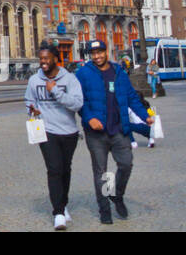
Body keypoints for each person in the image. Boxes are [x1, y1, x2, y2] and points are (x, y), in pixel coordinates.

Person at [74, 39, 150, 225]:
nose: (97, 56)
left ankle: (117, 195)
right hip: (96, 133)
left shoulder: (118, 72)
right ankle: (105, 209)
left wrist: (144, 116)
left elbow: (131, 97)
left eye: (100, 52)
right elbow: (79, 100)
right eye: (94, 53)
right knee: (102, 171)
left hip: (119, 129)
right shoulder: (83, 73)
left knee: (126, 164)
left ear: (106, 52)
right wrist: (89, 118)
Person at [26, 42, 85, 230]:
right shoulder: (34, 80)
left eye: (46, 58)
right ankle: (58, 212)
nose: (43, 62)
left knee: (65, 169)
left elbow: (76, 105)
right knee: (54, 169)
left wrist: (56, 92)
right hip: (47, 131)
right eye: (41, 59)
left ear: (55, 59)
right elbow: (29, 100)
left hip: (68, 131)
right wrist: (32, 109)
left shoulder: (69, 79)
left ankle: (63, 203)